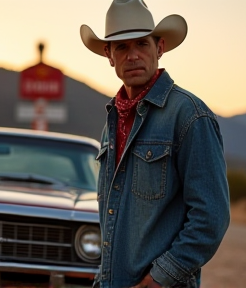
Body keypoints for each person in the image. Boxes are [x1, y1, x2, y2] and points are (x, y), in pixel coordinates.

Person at [80, 1, 230, 287]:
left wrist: (160, 278)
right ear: (108, 55)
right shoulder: (111, 123)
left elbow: (211, 218)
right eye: (121, 47)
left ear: (159, 48)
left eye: (142, 44)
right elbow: (112, 220)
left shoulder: (189, 116)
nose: (133, 55)